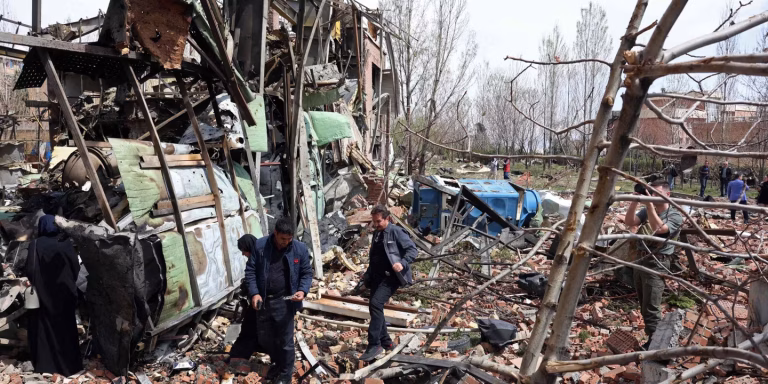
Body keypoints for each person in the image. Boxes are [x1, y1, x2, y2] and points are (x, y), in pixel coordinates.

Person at [229, 218, 313, 384]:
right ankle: (278, 363)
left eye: (289, 239)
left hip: (286, 301)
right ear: (275, 233)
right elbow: (251, 271)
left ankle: (285, 375)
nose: (286, 242)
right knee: (266, 338)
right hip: (265, 301)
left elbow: (306, 273)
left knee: (286, 340)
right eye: (283, 239)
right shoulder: (260, 246)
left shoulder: (299, 249)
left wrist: (302, 290)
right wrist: (254, 294)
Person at [624, 181, 683, 350]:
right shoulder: (647, 210)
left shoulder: (674, 215)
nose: (653, 196)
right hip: (641, 259)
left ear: (667, 194)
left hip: (658, 262)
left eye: (657, 193)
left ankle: (657, 345)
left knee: (651, 306)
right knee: (644, 303)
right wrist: (635, 200)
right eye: (651, 192)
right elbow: (630, 221)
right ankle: (653, 339)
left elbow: (660, 229)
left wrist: (649, 205)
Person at [24, 215, 82, 376]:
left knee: (43, 328)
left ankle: (44, 365)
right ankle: (70, 366)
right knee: (66, 327)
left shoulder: (35, 244)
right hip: (65, 291)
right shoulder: (65, 243)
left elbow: (29, 269)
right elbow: (75, 268)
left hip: (43, 293)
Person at [359, 205, 417, 362]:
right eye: (374, 222)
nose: (376, 224)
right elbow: (374, 257)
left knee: (376, 304)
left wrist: (402, 263)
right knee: (375, 307)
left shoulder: (396, 232)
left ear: (387, 219)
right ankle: (387, 343)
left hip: (392, 277)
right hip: (377, 277)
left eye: (378, 221)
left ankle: (374, 344)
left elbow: (412, 250)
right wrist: (367, 275)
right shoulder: (377, 234)